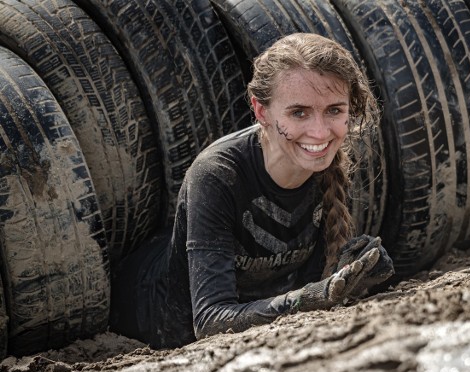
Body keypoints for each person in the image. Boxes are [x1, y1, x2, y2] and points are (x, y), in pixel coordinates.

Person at [110, 33, 394, 349]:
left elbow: (309, 285)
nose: (319, 131)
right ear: (261, 111)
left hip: (256, 310)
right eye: (298, 112)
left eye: (334, 111)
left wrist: (352, 273)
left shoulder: (326, 160)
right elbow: (210, 320)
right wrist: (313, 297)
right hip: (148, 316)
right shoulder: (218, 173)